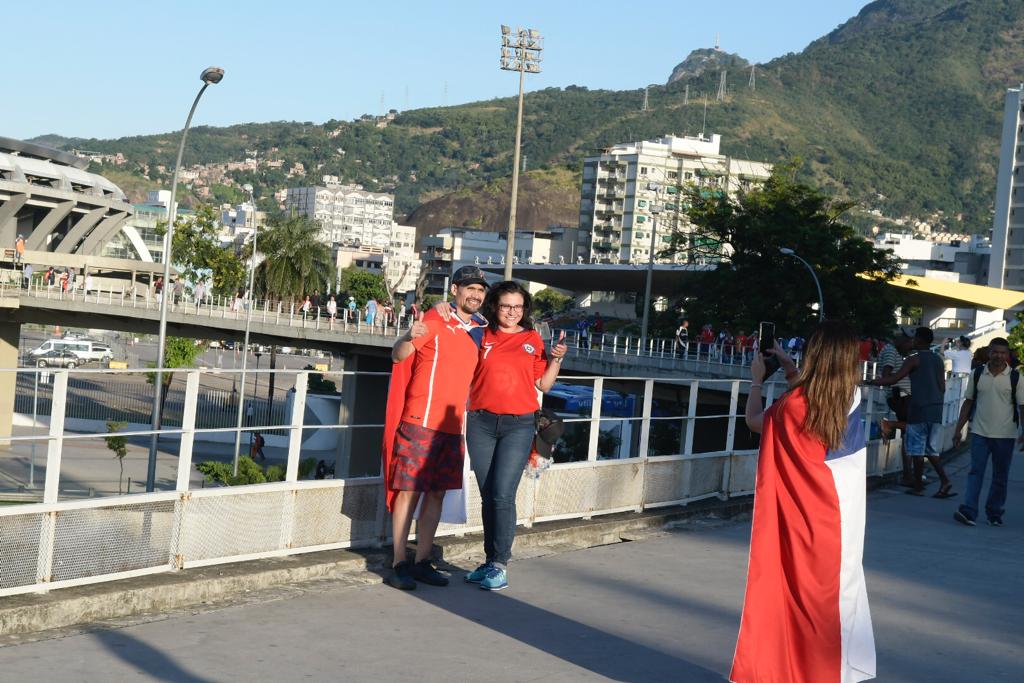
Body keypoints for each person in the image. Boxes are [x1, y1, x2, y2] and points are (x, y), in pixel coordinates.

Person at [731, 322, 875, 683]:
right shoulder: (851, 399)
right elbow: (814, 393)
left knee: (796, 602)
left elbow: (754, 422)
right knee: (835, 602)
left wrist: (757, 379)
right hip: (841, 523)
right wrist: (787, 363)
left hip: (801, 519)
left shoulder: (791, 406)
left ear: (814, 354)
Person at [434, 281, 568, 591]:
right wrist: (442, 308)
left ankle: (499, 564)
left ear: (525, 310)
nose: (512, 312)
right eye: (506, 305)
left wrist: (557, 359)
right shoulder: (481, 334)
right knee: (488, 494)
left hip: (519, 425)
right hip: (480, 422)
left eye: (518, 307)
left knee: (502, 494)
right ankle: (488, 560)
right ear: (494, 306)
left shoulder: (533, 339)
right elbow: (454, 337)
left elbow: (544, 385)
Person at [382, 265, 489, 590]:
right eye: (469, 288)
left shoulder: (480, 330)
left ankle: (422, 560)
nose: (475, 295)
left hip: (453, 426)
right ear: (455, 289)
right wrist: (406, 336)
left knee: (437, 494)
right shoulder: (435, 319)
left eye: (481, 290)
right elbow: (398, 356)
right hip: (419, 421)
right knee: (408, 492)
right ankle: (399, 561)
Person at [869, 327, 956, 497]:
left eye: (915, 338)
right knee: (930, 450)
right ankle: (943, 482)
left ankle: (919, 486)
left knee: (917, 449)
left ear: (920, 341)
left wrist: (871, 381)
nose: (912, 341)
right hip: (936, 408)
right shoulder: (938, 359)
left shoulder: (913, 359)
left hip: (918, 407)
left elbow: (894, 379)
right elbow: (942, 386)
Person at [951, 337, 1023, 527]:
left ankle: (994, 513)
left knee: (1000, 477)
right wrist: (958, 429)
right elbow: (968, 403)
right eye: (995, 352)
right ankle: (969, 511)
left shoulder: (1016, 378)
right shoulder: (977, 374)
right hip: (980, 433)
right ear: (989, 353)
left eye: (1003, 352)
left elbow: (1023, 407)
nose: (999, 356)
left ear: (1008, 355)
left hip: (1005, 435)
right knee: (975, 472)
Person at [878, 334, 916, 487]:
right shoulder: (891, 351)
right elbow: (887, 374)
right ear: (902, 341)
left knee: (909, 436)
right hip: (901, 395)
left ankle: (908, 475)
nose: (910, 347)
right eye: (909, 343)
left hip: (902, 395)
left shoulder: (894, 352)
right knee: (915, 428)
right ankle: (890, 425)